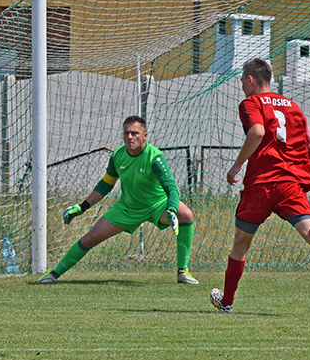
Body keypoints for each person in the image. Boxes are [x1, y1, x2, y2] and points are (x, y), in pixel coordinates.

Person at [210, 58, 310, 313]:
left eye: (242, 80)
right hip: (291, 182)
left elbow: (258, 132)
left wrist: (236, 167)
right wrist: (303, 181)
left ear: (250, 80)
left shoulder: (251, 103)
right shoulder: (294, 107)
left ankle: (226, 302)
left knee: (241, 242)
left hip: (261, 183)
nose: (241, 85)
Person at [38, 115, 199, 285]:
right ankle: (54, 274)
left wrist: (172, 209)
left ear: (145, 136)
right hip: (127, 209)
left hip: (157, 206)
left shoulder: (155, 157)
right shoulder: (117, 155)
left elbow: (171, 188)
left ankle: (183, 272)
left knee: (186, 214)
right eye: (126, 133)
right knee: (89, 239)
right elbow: (105, 185)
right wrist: (82, 207)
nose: (130, 137)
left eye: (135, 133)